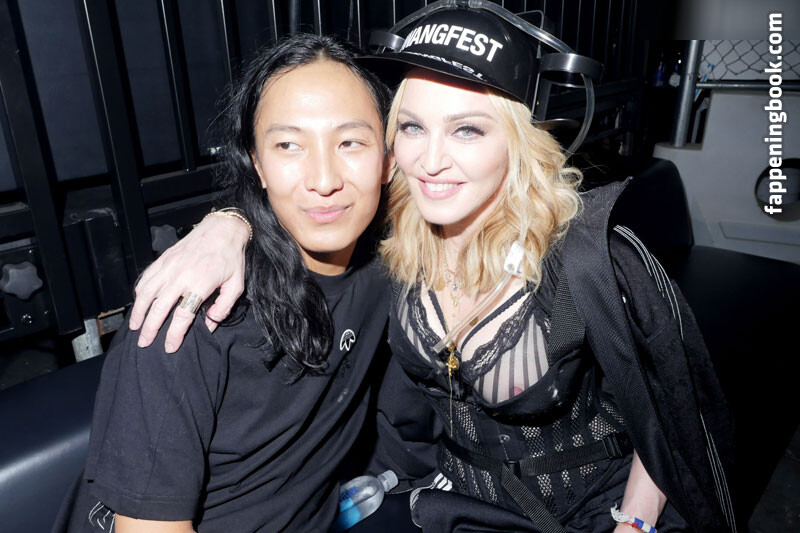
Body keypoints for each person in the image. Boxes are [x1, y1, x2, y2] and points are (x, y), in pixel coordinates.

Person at [129, 5, 736, 532]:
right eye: (413, 128)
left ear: (518, 143)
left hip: (599, 510)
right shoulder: (392, 243)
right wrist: (227, 223)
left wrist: (635, 523)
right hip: (462, 508)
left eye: (467, 130)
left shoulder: (585, 259)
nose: (432, 161)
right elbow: (302, 190)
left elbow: (671, 409)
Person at [56, 33, 407, 532]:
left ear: (388, 159)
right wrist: (230, 220)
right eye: (289, 145)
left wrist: (230, 219)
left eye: (350, 142)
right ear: (257, 164)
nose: (324, 179)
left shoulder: (391, 262)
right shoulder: (193, 315)